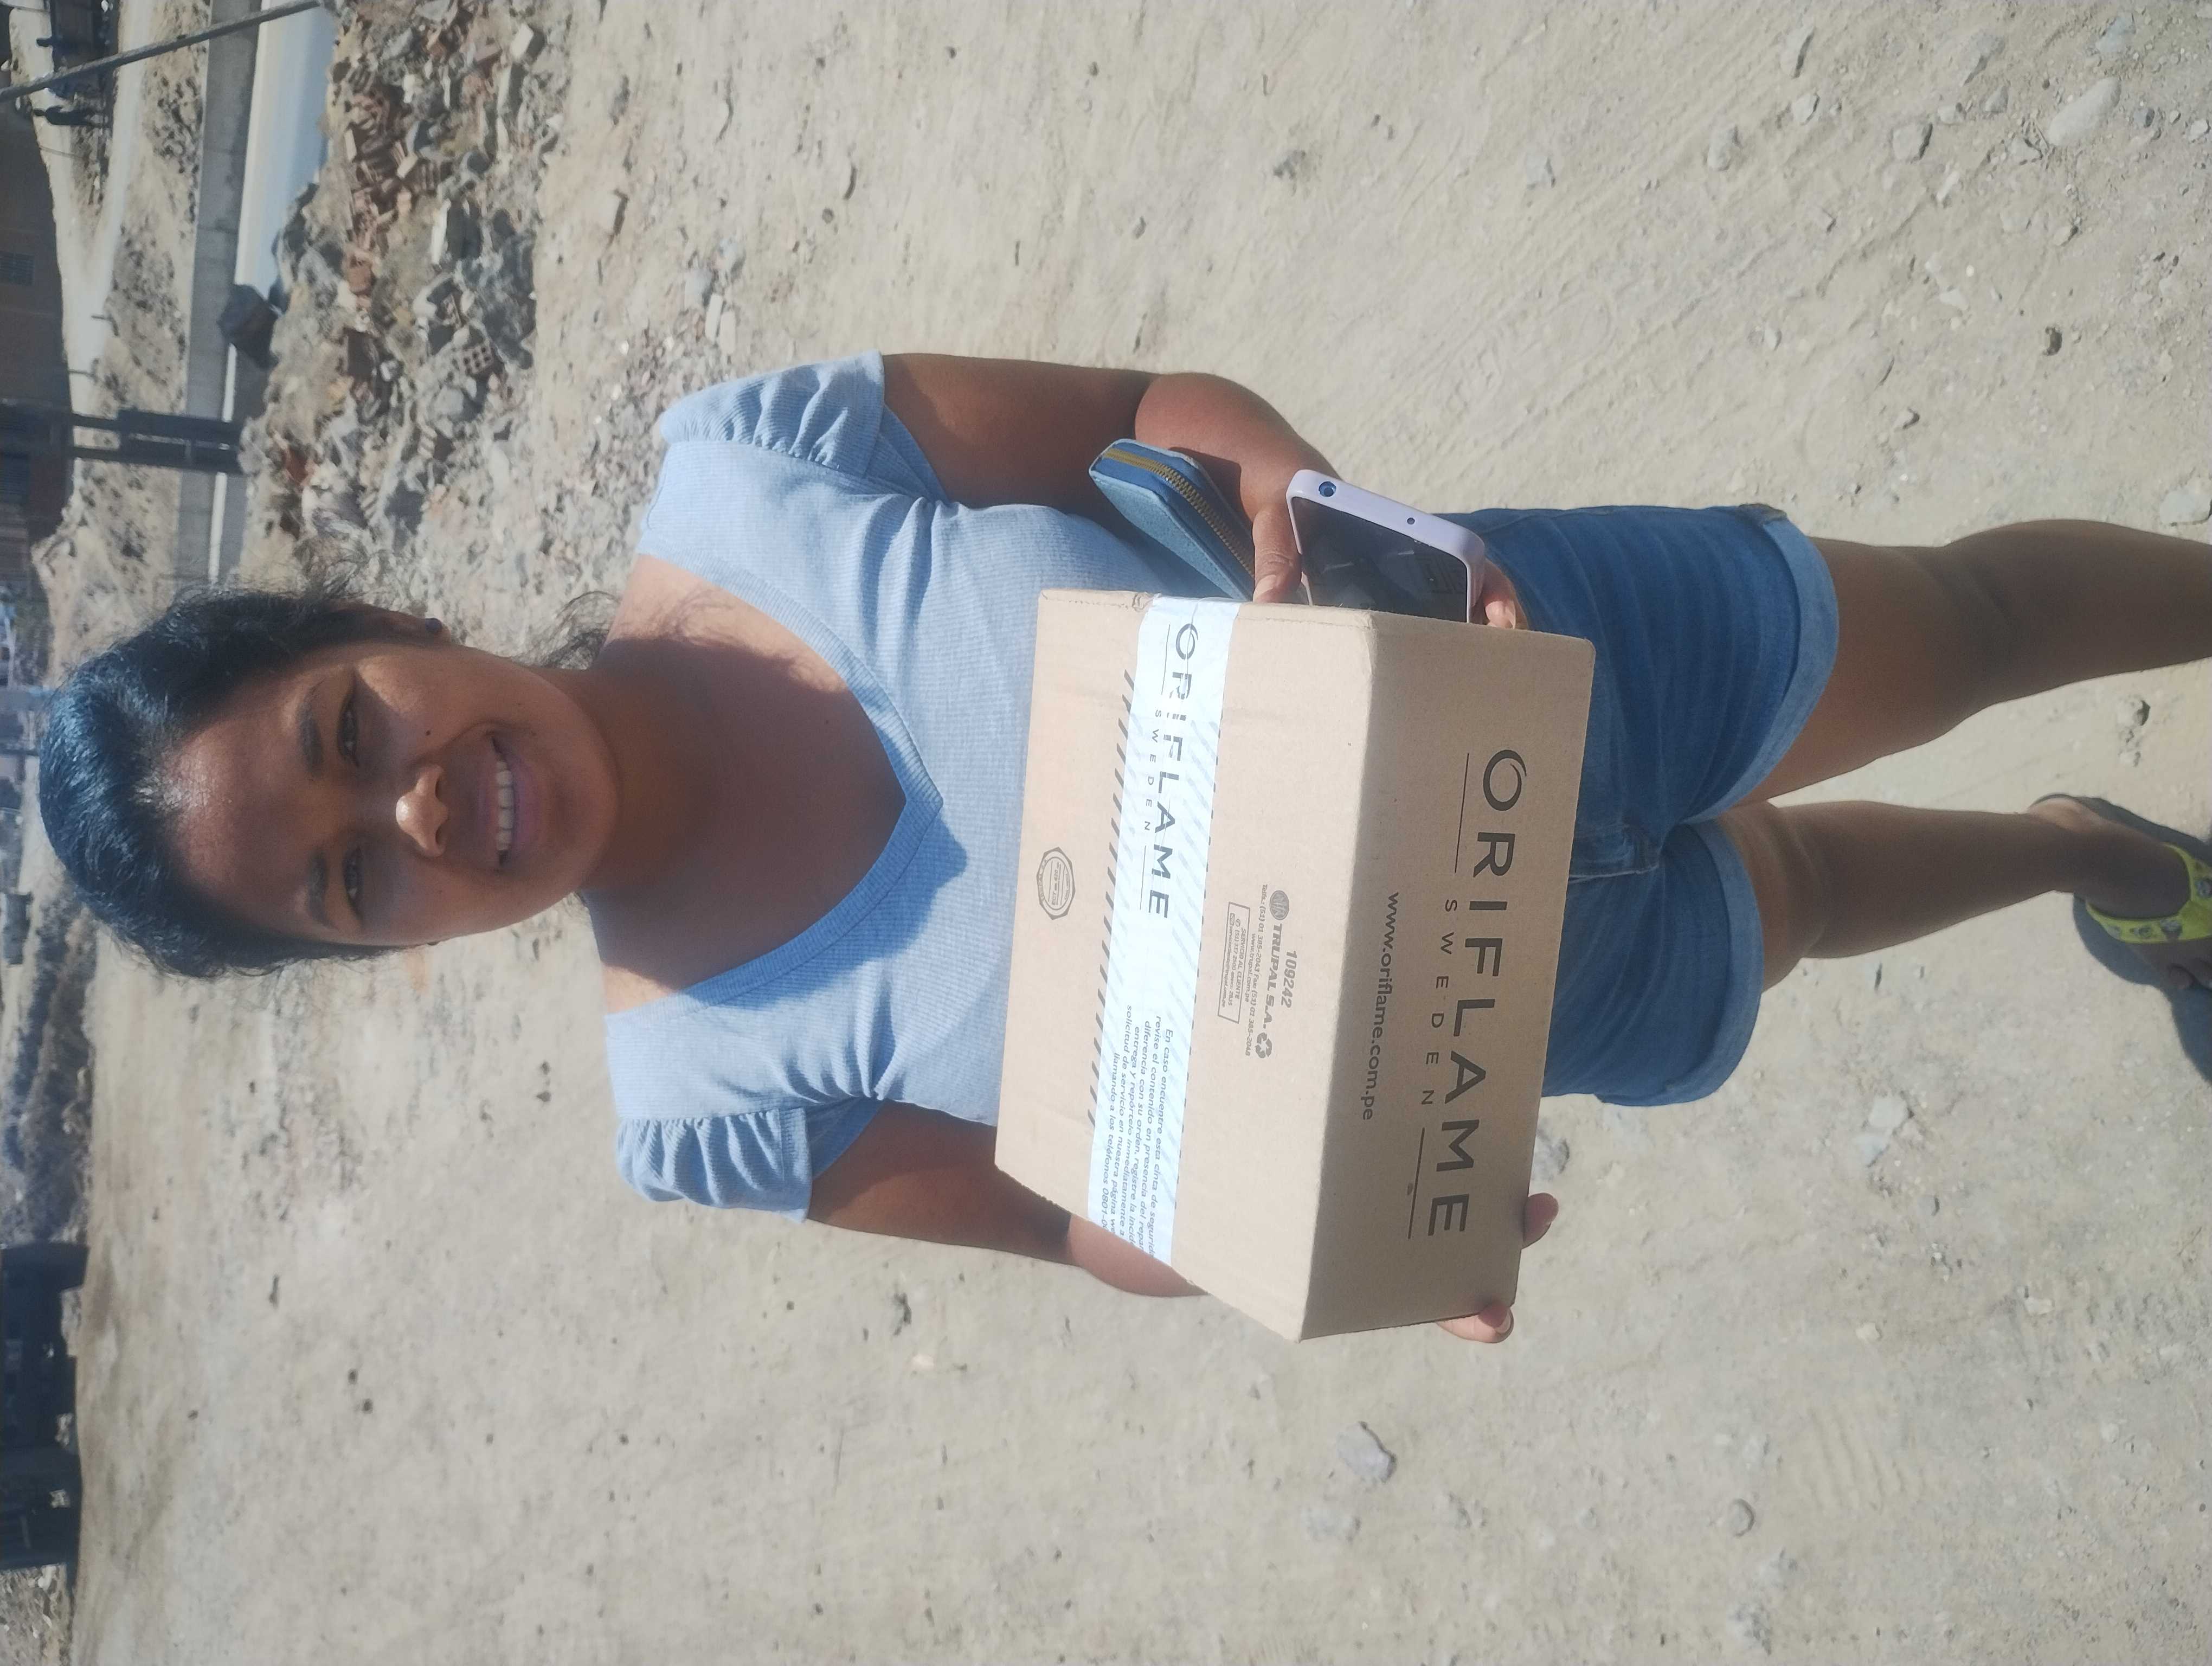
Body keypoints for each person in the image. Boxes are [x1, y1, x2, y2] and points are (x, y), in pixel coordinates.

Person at [36, 354, 2212, 1344]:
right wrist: (1339, 1242)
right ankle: (2092, 861)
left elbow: (1140, 412)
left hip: (1533, 650)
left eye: (349, 733)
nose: (417, 809)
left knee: (1971, 624)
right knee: (1799, 903)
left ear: (379, 628)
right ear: (373, 950)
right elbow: (1073, 1222)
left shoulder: (745, 473)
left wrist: (1289, 494)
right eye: (350, 878)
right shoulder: (701, 1105)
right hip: (1479, 995)